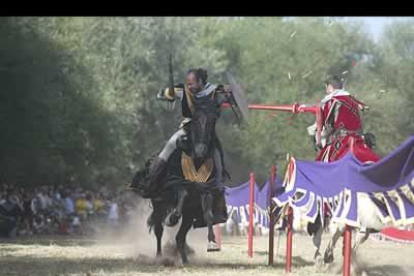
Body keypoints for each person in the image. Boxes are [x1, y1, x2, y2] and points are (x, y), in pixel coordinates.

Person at [149, 67, 232, 187]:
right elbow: (163, 93)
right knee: (171, 144)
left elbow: (227, 98)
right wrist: (167, 93)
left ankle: (219, 183)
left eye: (191, 84)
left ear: (200, 82)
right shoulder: (184, 91)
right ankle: (153, 175)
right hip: (188, 129)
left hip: (208, 133)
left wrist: (230, 94)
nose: (189, 87)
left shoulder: (215, 92)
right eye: (188, 84)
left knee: (218, 158)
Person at [307, 76, 380, 163]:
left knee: (321, 166)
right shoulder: (354, 101)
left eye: (326, 87)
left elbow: (328, 127)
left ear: (329, 87)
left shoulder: (331, 101)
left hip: (342, 141)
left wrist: (319, 140)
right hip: (358, 139)